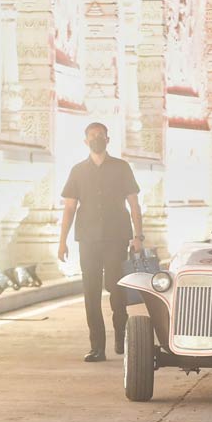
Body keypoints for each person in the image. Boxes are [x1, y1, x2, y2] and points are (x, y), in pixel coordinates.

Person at [58, 122, 143, 362]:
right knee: (91, 291)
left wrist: (138, 236)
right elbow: (69, 209)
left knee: (117, 289)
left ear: (108, 139)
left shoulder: (121, 168)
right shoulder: (78, 171)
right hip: (88, 238)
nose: (97, 139)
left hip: (116, 237)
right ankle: (97, 346)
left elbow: (134, 204)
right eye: (92, 136)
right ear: (86, 141)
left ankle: (121, 336)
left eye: (101, 136)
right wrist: (62, 241)